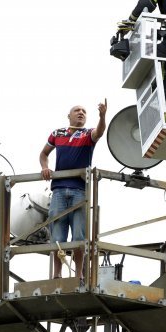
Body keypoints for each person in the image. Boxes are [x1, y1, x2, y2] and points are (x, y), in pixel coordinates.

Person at [39, 100, 107, 279]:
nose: (81, 112)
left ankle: (78, 274)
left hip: (79, 192)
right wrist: (45, 167)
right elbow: (43, 153)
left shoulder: (87, 134)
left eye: (84, 111)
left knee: (79, 235)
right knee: (57, 235)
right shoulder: (57, 133)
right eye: (77, 110)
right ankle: (57, 274)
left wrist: (102, 116)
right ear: (69, 116)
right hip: (59, 190)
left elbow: (100, 132)